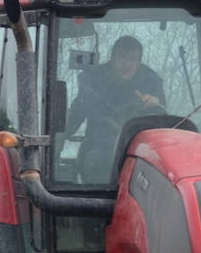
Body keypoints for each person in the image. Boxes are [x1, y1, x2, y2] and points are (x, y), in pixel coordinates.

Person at [63, 35, 165, 182]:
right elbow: (76, 115)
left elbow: (163, 119)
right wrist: (58, 133)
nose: (127, 64)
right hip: (98, 147)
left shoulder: (151, 82)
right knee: (96, 160)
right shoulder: (93, 81)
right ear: (112, 58)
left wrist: (156, 103)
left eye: (132, 59)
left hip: (138, 151)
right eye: (122, 57)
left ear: (139, 62)